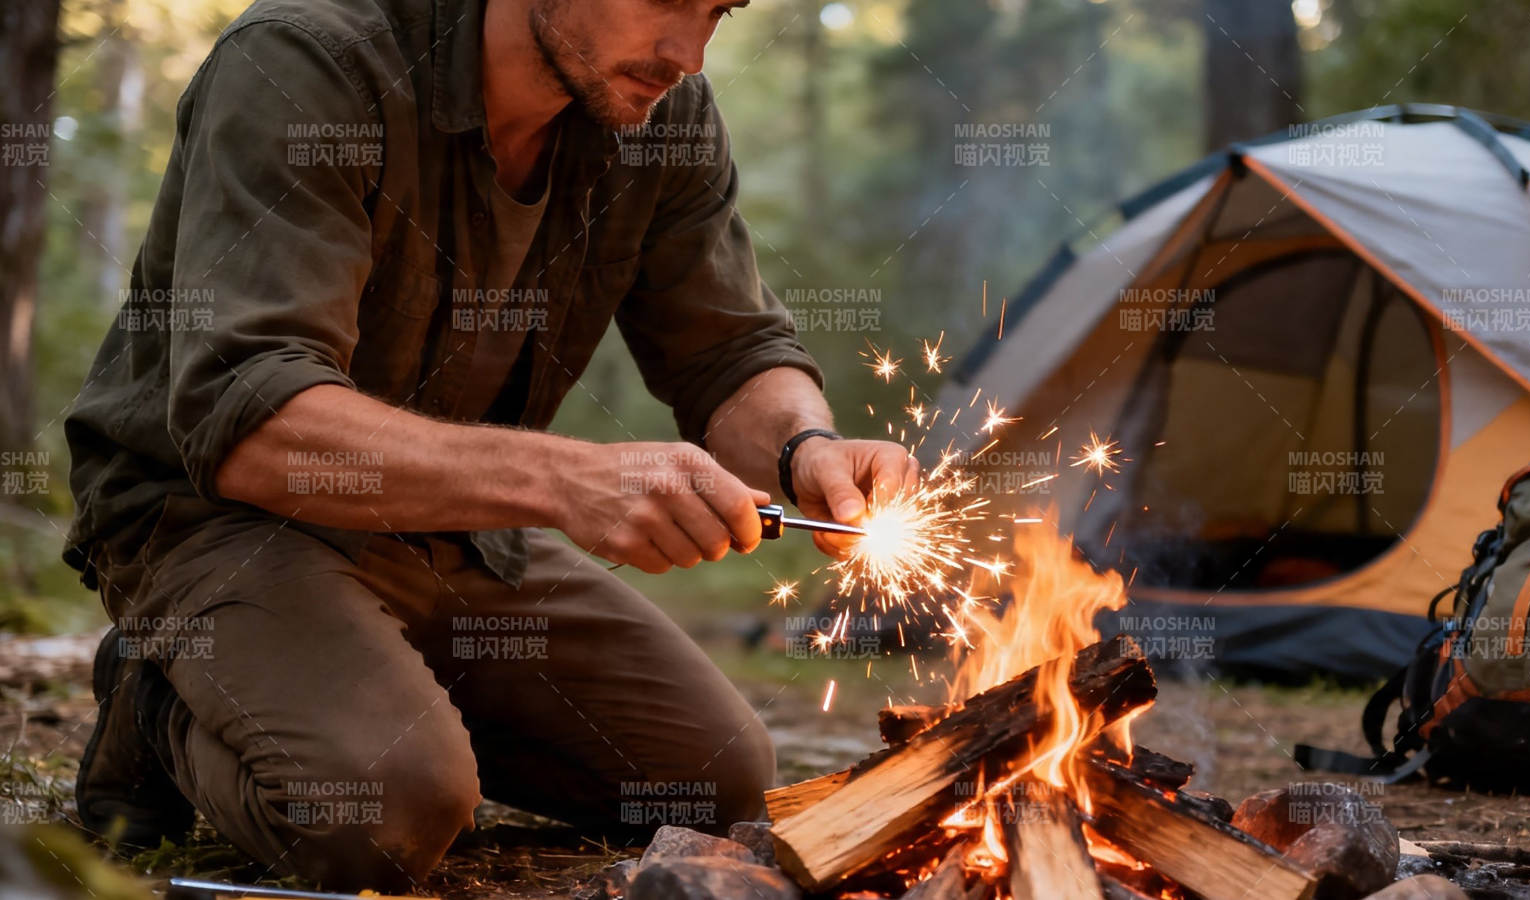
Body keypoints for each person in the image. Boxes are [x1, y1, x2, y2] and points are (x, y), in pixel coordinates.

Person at [62, 0, 915, 889]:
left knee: (714, 781)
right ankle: (158, 695)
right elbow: (252, 421)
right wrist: (563, 479)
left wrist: (805, 447)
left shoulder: (658, 116)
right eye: (666, 0)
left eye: (717, 11)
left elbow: (729, 350)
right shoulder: (306, 64)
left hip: (458, 534)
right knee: (387, 816)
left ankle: (363, 673)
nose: (688, 54)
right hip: (221, 520)